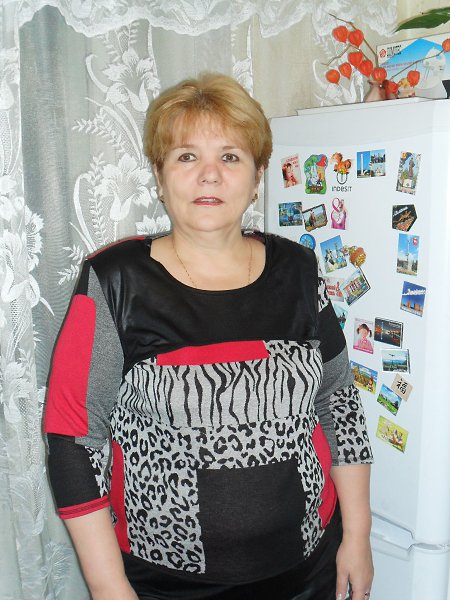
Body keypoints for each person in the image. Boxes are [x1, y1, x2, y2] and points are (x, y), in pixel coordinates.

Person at [44, 73, 373, 600]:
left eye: (231, 156)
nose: (210, 175)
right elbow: (73, 439)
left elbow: (338, 402)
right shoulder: (115, 281)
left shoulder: (299, 269)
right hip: (165, 583)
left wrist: (357, 535)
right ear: (159, 175)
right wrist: (108, 587)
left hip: (307, 567)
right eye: (187, 157)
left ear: (257, 175)